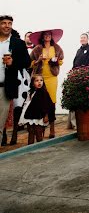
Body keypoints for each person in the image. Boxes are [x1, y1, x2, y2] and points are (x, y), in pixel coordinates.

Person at [0, 15, 31, 146]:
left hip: (5, 88)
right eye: (3, 23)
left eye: (9, 23)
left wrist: (13, 63)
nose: (7, 26)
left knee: (0, 123)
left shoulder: (18, 43)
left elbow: (27, 63)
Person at [30, 29, 64, 138]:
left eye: (49, 35)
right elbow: (30, 63)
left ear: (51, 36)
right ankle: (41, 126)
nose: (47, 36)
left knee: (52, 101)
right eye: (45, 35)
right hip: (40, 78)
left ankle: (52, 129)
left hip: (52, 78)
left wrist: (56, 61)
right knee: (41, 101)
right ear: (42, 37)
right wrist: (38, 60)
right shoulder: (37, 48)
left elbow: (61, 60)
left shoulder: (57, 48)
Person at [19, 75, 54, 144]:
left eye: (41, 80)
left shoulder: (44, 93)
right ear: (32, 83)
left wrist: (46, 115)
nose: (39, 82)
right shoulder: (30, 92)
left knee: (38, 132)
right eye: (37, 81)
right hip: (30, 115)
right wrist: (23, 116)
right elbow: (26, 104)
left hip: (39, 116)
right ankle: (29, 147)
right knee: (31, 132)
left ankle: (39, 147)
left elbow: (47, 105)